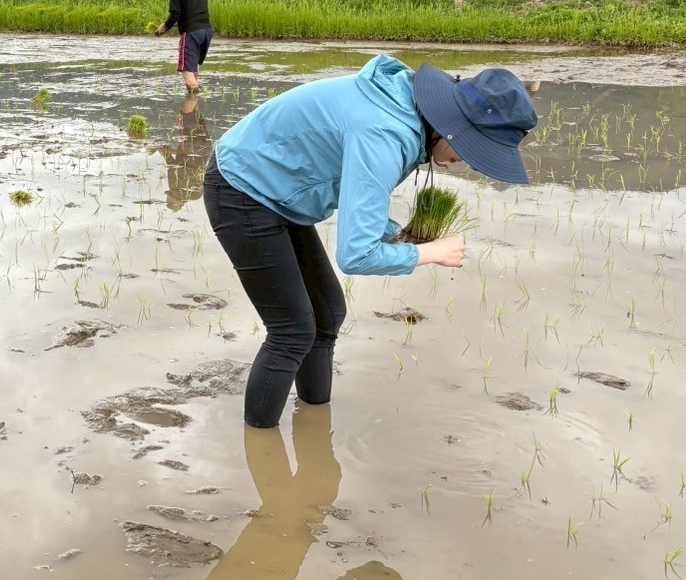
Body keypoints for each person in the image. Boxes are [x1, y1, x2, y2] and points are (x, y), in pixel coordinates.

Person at [202, 56, 537, 429]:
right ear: (454, 128)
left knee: (327, 315)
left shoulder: (408, 114)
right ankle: (261, 448)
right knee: (292, 332)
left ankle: (314, 424)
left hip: (280, 191)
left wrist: (399, 235)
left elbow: (359, 204)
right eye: (475, 151)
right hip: (242, 187)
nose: (469, 163)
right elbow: (356, 255)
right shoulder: (386, 132)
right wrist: (429, 253)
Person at [201, 405, 450, 580]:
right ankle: (300, 418)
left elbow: (371, 578)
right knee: (306, 493)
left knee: (306, 496)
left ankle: (268, 427)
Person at [154, 0, 213, 94]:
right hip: (207, 31)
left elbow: (175, 14)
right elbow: (191, 13)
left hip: (191, 33)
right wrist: (172, 25)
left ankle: (193, 98)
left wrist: (165, 27)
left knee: (186, 70)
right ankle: (196, 103)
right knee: (193, 66)